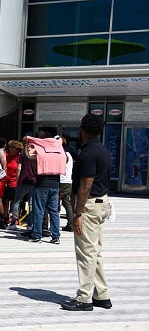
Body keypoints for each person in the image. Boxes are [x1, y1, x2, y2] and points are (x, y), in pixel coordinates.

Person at [61, 113, 112, 311]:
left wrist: (77, 213)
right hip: (101, 204)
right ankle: (102, 295)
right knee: (95, 251)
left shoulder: (88, 152)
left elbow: (86, 184)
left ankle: (84, 298)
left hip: (89, 207)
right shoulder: (103, 150)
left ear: (82, 129)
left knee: (86, 253)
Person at [60, 136, 74, 232]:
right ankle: (70, 223)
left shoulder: (62, 154)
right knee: (66, 203)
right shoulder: (69, 154)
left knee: (54, 203)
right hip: (68, 181)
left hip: (61, 181)